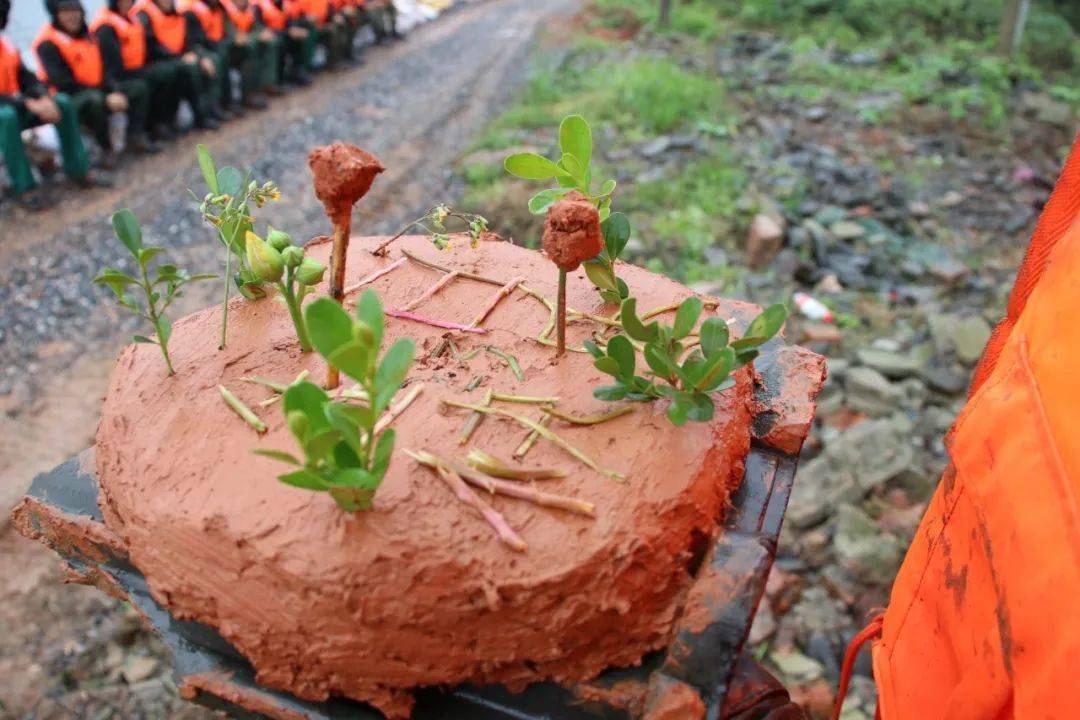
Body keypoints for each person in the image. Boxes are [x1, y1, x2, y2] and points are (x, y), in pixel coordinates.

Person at [1, 0, 106, 210]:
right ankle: (25, 187)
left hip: (16, 105)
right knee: (7, 117)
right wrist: (27, 104)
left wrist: (43, 97)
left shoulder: (5, 43)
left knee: (62, 102)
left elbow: (27, 77)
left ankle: (78, 168)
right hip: (8, 110)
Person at [33, 0, 155, 161]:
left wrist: (113, 90)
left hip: (96, 89)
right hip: (69, 98)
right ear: (56, 15)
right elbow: (63, 83)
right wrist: (105, 96)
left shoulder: (88, 35)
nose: (72, 17)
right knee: (95, 101)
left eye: (75, 11)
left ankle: (135, 137)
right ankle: (104, 149)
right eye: (66, 12)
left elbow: (104, 69)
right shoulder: (47, 43)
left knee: (137, 88)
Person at [130, 0, 220, 130]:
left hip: (175, 58)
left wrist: (199, 56)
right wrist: (179, 58)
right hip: (153, 63)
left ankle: (207, 112)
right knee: (182, 70)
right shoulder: (144, 15)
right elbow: (152, 47)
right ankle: (162, 123)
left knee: (205, 62)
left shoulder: (177, 14)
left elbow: (188, 41)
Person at [91, 0, 172, 143]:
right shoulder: (105, 27)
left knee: (165, 73)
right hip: (116, 79)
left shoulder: (134, 18)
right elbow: (110, 67)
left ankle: (159, 125)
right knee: (139, 87)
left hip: (135, 70)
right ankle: (136, 136)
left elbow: (151, 46)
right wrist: (112, 90)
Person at [179, 0, 270, 115]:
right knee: (216, 60)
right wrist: (201, 56)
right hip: (200, 50)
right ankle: (212, 109)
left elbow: (227, 30)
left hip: (218, 45)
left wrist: (237, 38)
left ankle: (246, 96)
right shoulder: (192, 11)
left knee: (246, 49)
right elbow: (193, 41)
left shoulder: (220, 7)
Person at [254, 0, 313, 86]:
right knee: (279, 43)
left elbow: (288, 21)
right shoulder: (260, 6)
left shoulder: (283, 4)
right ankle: (277, 80)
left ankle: (296, 72)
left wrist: (293, 29)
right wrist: (288, 32)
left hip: (282, 33)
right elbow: (261, 27)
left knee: (297, 38)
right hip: (269, 36)